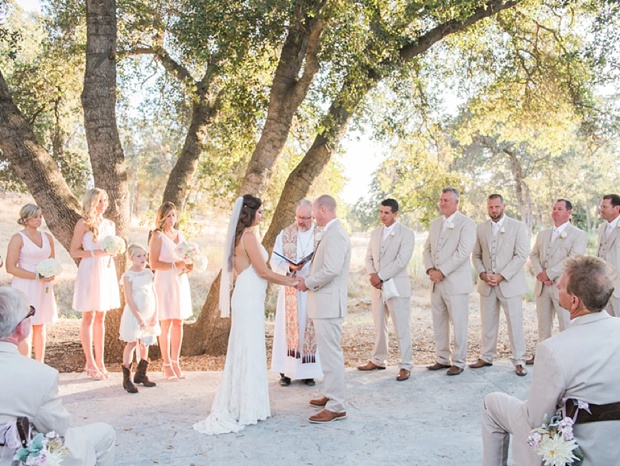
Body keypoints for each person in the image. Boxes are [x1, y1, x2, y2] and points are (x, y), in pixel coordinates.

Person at [481, 255, 620, 465]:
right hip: (612, 444)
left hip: (576, 450)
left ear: (574, 301)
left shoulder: (553, 349)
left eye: (561, 286)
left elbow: (536, 419)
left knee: (492, 404)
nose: (557, 287)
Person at [193, 195, 298, 435]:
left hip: (246, 293)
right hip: (249, 296)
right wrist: (289, 281)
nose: (262, 215)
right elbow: (263, 271)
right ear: (250, 213)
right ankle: (248, 406)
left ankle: (243, 402)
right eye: (260, 212)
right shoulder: (249, 237)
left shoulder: (239, 236)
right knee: (249, 348)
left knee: (245, 347)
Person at [0, 287, 116, 465]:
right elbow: (57, 428)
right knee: (104, 434)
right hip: (13, 459)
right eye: (30, 313)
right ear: (20, 328)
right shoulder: (39, 376)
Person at [296, 195, 351, 423]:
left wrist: (307, 282)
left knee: (332, 355)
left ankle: (337, 405)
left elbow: (331, 269)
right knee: (327, 354)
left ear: (322, 210)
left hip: (329, 304)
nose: (313, 216)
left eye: (315, 211)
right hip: (324, 303)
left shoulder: (336, 233)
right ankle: (330, 394)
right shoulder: (330, 232)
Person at [470, 194, 529, 376]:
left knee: (515, 322)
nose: (493, 210)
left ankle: (519, 360)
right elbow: (476, 255)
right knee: (487, 322)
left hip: (509, 284)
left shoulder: (518, 227)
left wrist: (502, 276)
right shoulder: (480, 228)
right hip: (487, 284)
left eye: (496, 207)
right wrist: (482, 274)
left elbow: (521, 255)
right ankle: (486, 356)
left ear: (504, 205)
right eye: (490, 207)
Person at [358, 198, 415, 381]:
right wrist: (372, 274)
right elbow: (368, 258)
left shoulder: (406, 233)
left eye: (387, 213)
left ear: (395, 214)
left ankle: (406, 364)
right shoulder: (375, 233)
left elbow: (401, 261)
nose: (382, 216)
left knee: (401, 327)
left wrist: (380, 276)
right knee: (379, 325)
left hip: (396, 286)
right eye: (381, 212)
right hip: (377, 288)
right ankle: (378, 360)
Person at [526, 199, 587, 364]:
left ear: (569, 212)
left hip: (564, 287)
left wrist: (549, 274)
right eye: (553, 208)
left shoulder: (579, 235)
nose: (555, 212)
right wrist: (539, 273)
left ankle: (568, 357)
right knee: (543, 324)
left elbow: (572, 258)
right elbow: (534, 255)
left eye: (559, 209)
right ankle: (542, 355)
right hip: (542, 286)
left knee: (566, 323)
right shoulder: (543, 233)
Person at [422, 187, 476, 376]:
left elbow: (463, 252)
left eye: (446, 200)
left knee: (459, 323)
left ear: (456, 202)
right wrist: (430, 269)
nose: (442, 203)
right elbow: (427, 249)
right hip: (435, 283)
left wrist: (442, 271)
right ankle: (442, 358)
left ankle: (459, 361)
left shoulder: (467, 224)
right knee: (439, 322)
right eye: (441, 200)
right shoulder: (435, 223)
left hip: (456, 282)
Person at [270, 200, 323, 387]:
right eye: (299, 217)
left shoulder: (320, 235)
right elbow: (274, 260)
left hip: (310, 289)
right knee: (288, 330)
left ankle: (308, 373)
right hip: (290, 290)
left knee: (309, 329)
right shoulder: (285, 235)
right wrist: (290, 266)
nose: (302, 222)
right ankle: (285, 371)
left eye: (306, 218)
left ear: (313, 217)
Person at [70, 188, 120, 380]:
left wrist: (113, 251)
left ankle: (100, 361)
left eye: (105, 200)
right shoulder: (82, 224)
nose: (103, 204)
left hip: (106, 270)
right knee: (88, 317)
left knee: (101, 317)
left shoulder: (110, 225)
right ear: (91, 202)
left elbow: (111, 247)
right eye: (99, 201)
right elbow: (74, 251)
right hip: (89, 269)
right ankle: (89, 362)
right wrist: (94, 253)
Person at [5, 204, 58, 362]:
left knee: (40, 325)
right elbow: (10, 267)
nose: (38, 219)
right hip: (24, 285)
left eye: (40, 216)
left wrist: (50, 274)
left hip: (43, 287)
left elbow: (52, 261)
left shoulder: (47, 238)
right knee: (25, 326)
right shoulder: (17, 238)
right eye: (35, 217)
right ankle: (25, 364)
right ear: (26, 218)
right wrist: (36, 276)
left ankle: (40, 364)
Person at [149, 202, 192, 381]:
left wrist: (189, 266)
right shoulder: (157, 236)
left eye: (174, 215)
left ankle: (176, 361)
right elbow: (153, 264)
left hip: (180, 280)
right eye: (168, 216)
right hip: (164, 281)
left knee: (178, 321)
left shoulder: (180, 235)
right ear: (162, 217)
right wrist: (175, 265)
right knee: (165, 322)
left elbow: (186, 258)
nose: (172, 219)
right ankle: (166, 363)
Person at [119, 244, 160, 394]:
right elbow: (129, 300)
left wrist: (155, 314)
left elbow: (154, 293)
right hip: (135, 313)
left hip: (149, 311)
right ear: (131, 258)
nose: (143, 259)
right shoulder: (128, 276)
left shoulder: (149, 273)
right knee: (132, 342)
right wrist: (140, 319)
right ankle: (127, 378)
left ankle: (141, 374)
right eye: (138, 256)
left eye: (144, 255)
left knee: (145, 343)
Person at [597, 193, 620, 317]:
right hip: (604, 287)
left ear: (617, 208)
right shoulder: (602, 228)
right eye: (601, 206)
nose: (601, 210)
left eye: (605, 207)